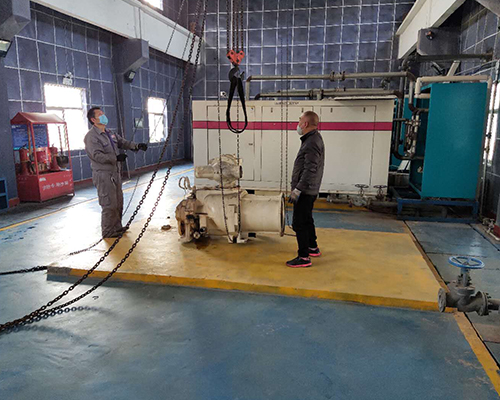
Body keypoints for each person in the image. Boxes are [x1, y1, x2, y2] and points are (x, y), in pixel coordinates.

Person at [84, 107, 148, 238]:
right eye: (100, 114)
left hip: (115, 173)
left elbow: (122, 142)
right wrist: (115, 158)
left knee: (118, 202)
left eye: (103, 113)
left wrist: (136, 146)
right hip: (103, 174)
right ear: (93, 119)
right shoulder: (91, 137)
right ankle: (108, 231)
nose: (103, 116)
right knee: (109, 203)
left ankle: (117, 227)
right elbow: (96, 155)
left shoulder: (109, 133)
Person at [286, 111, 325, 268]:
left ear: (305, 124)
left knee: (299, 223)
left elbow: (310, 169)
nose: (298, 124)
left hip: (305, 190)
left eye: (299, 120)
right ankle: (312, 247)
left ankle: (303, 257)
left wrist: (297, 190)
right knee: (307, 218)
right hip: (310, 189)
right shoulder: (313, 138)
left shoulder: (311, 142)